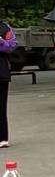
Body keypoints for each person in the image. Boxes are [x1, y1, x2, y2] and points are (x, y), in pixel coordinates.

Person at [0, 17, 14, 147]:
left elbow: (11, 46)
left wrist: (1, 42)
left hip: (1, 72)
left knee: (1, 107)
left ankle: (3, 138)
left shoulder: (5, 28)